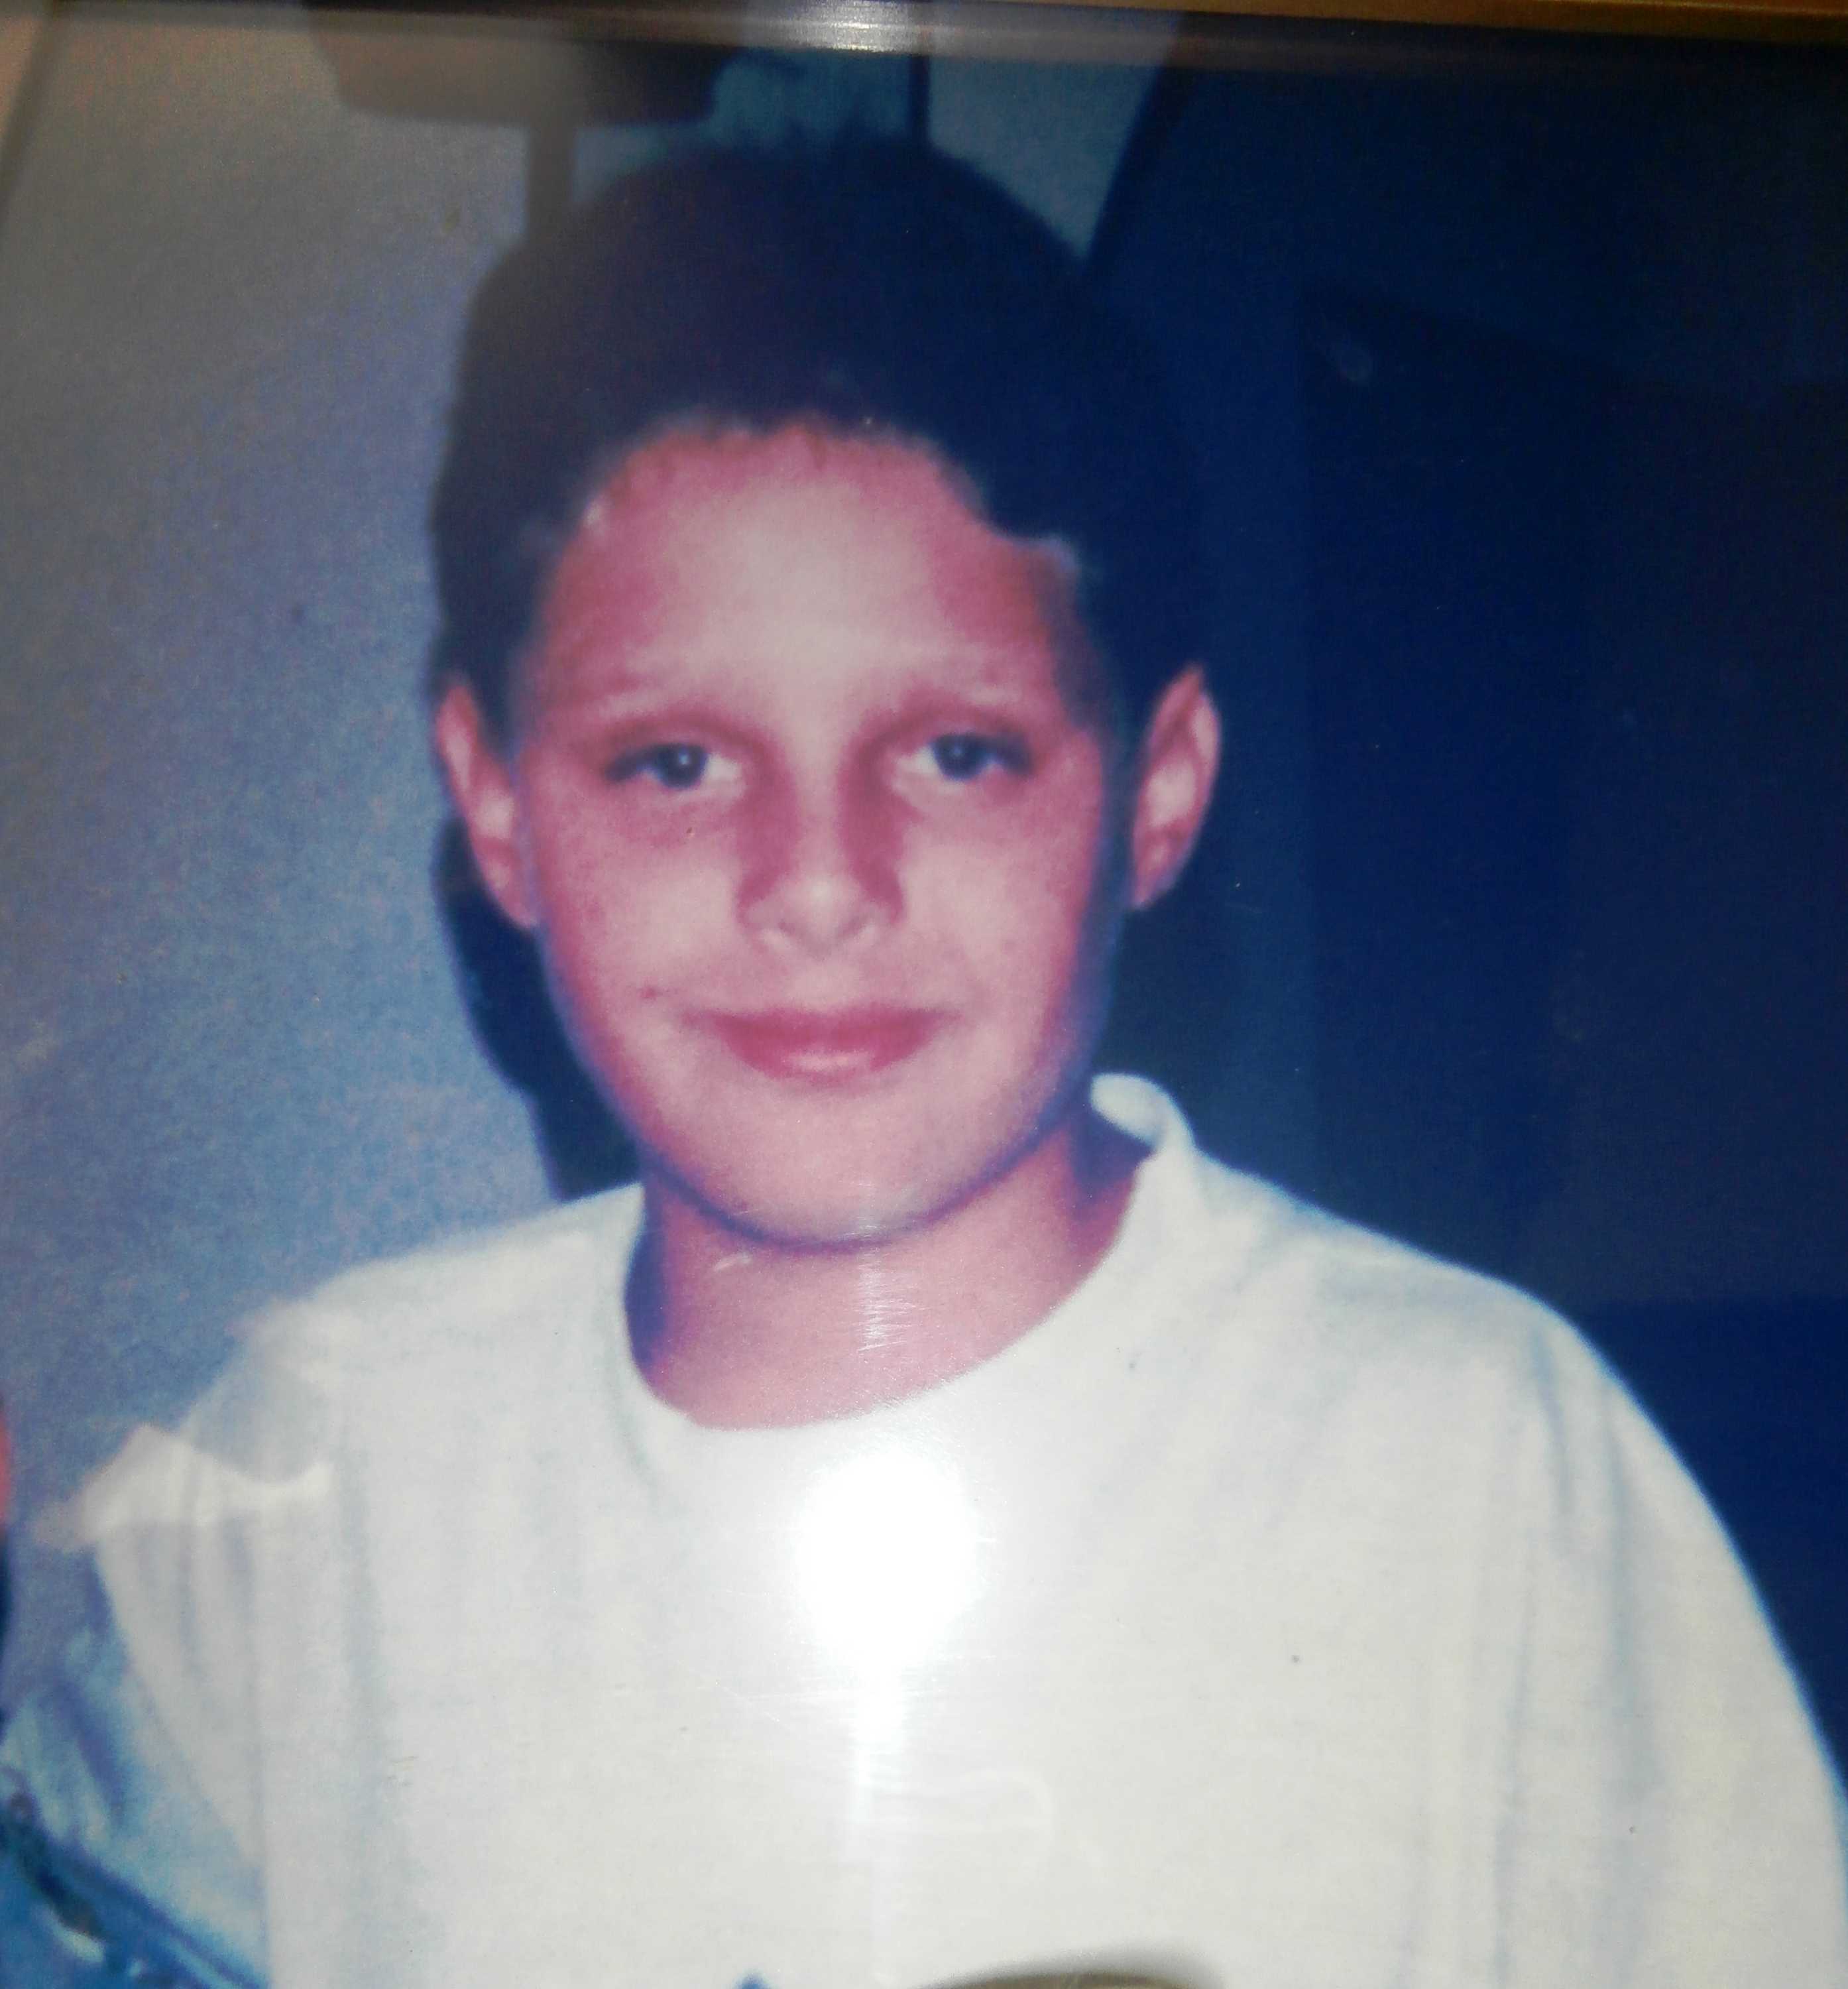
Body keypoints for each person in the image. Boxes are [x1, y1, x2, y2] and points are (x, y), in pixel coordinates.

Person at [2, 138, 1844, 1989]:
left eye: (956, 754)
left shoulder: (1486, 1471)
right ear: (494, 802)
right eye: (676, 762)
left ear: (1159, 789)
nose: (816, 886)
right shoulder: (294, 1493)